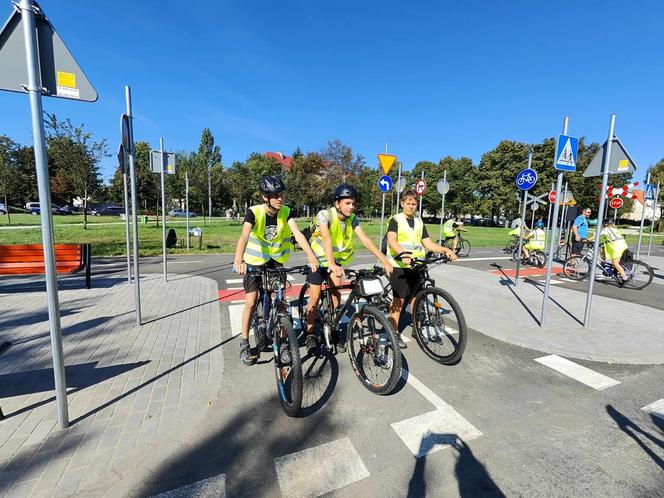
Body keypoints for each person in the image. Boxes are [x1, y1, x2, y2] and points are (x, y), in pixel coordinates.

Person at [233, 175, 319, 366]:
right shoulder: (253, 212)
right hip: (253, 262)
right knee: (251, 301)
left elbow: (297, 234)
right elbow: (244, 237)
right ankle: (245, 342)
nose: (280, 198)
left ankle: (285, 345)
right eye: (275, 195)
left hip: (275, 263)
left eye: (281, 194)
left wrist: (311, 256)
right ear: (265, 197)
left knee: (281, 304)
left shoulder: (286, 212)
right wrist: (238, 260)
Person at [305, 183, 393, 352]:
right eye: (348, 203)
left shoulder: (353, 219)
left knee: (336, 297)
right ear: (337, 203)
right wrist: (330, 264)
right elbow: (326, 238)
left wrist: (384, 260)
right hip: (319, 260)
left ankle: (333, 329)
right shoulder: (325, 215)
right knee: (314, 298)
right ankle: (310, 333)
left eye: (353, 203)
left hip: (334, 262)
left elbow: (365, 240)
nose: (351, 207)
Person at [386, 189, 457, 348]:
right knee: (399, 300)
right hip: (399, 265)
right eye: (408, 203)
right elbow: (392, 240)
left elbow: (428, 244)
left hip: (417, 265)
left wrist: (446, 250)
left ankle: (417, 330)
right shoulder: (395, 219)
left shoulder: (419, 222)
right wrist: (402, 253)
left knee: (417, 298)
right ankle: (393, 333)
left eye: (414, 203)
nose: (411, 206)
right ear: (402, 203)